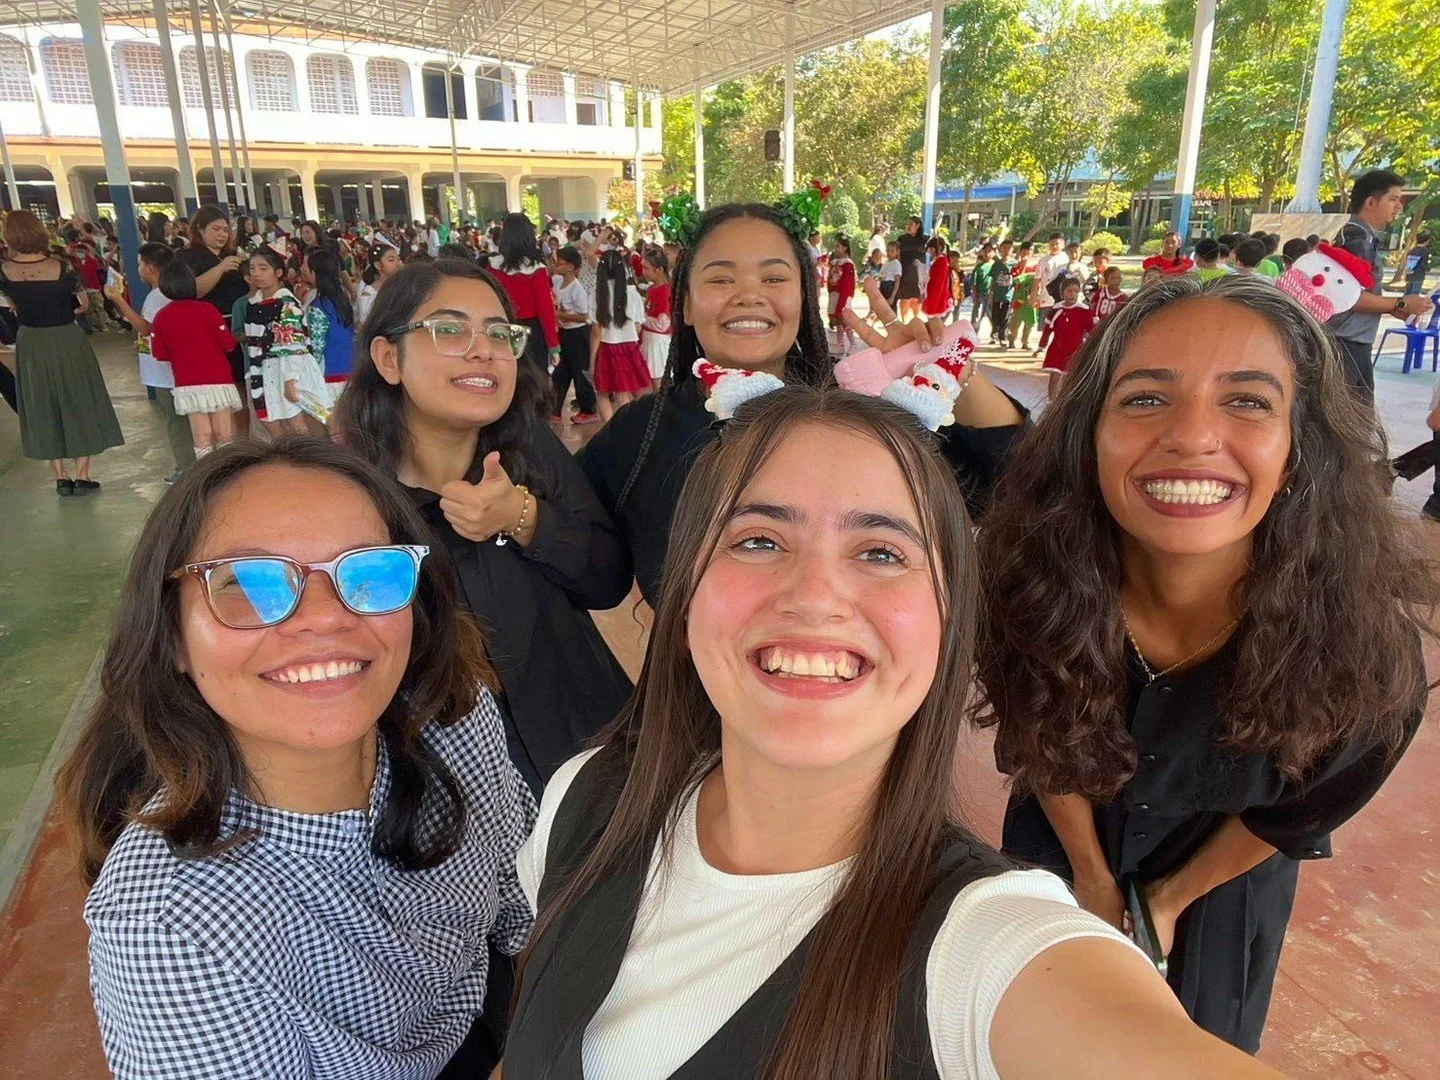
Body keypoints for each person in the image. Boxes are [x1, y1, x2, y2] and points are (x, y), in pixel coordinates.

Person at [506, 384, 1285, 1080]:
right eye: (758, 540)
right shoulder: (585, 799)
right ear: (683, 599)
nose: (815, 596)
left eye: (882, 552)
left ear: (950, 625)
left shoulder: (986, 948)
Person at [976, 274, 1429, 1052]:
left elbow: (1297, 812)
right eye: (1147, 398)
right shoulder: (1028, 592)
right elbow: (1040, 742)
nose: (1191, 437)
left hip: (1224, 884)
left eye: (1247, 401)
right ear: (1090, 435)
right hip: (1062, 848)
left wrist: (1167, 900)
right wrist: (1092, 878)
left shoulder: (1366, 653)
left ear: (1298, 450)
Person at [58, 437, 535, 1079]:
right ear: (171, 635)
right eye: (249, 584)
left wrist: (553, 1021)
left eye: (369, 572)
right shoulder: (173, 925)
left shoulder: (452, 718)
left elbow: (518, 892)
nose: (324, 619)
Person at [576, 202, 1029, 608]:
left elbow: (1015, 483)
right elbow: (590, 572)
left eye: (774, 278)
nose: (748, 294)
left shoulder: (862, 399)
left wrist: (944, 367)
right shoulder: (641, 434)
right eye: (720, 279)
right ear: (687, 305)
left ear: (803, 298)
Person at [331, 257, 633, 793]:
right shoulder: (352, 505)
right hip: (454, 793)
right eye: (449, 330)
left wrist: (522, 517)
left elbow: (607, 579)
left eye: (499, 333)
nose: (483, 349)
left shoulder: (530, 451)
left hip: (594, 758)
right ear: (389, 358)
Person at [0, 210, 123, 494]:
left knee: (42, 402)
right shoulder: (61, 266)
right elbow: (82, 303)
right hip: (66, 337)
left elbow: (12, 304)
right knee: (79, 398)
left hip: (31, 341)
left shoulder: (5, 270)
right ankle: (83, 474)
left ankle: (60, 476)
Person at [1328, 170, 1435, 401]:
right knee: (1352, 414)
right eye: (1393, 199)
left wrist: (1393, 308)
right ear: (1370, 202)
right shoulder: (1358, 239)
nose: (1398, 206)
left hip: (1351, 342)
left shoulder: (1362, 236)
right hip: (1346, 342)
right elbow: (1351, 297)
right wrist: (1401, 302)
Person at [105, 242, 193, 483]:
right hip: (168, 368)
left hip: (165, 373)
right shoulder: (165, 294)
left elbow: (147, 328)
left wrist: (118, 300)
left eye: (140, 264)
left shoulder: (157, 296)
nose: (138, 269)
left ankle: (187, 467)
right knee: (177, 418)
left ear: (151, 268)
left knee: (176, 421)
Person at [148, 261, 243, 462]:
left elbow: (159, 354)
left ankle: (206, 473)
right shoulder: (209, 310)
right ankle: (227, 470)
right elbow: (228, 344)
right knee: (224, 433)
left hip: (187, 383)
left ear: (165, 287)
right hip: (219, 380)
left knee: (201, 435)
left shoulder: (161, 317)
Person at [179, 206, 250, 432]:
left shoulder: (232, 255)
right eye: (216, 229)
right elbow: (192, 290)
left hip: (236, 326)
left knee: (241, 383)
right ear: (200, 229)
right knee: (218, 386)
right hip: (207, 330)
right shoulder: (188, 257)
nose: (222, 234)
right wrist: (220, 268)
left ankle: (244, 436)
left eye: (226, 230)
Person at [241, 248, 327, 434]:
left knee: (295, 422)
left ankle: (307, 453)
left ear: (278, 272)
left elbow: (293, 344)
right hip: (262, 369)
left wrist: (290, 379)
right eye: (252, 268)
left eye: (263, 268)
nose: (256, 273)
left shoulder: (287, 302)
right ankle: (287, 452)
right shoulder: (253, 304)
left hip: (285, 367)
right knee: (270, 422)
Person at [489, 213, 561, 382]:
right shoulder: (537, 269)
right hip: (531, 334)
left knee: (506, 380)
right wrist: (553, 346)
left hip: (501, 329)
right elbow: (545, 311)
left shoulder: (492, 267)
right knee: (534, 382)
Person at [588, 249, 650, 422]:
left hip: (606, 348)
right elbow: (638, 327)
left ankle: (612, 428)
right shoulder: (633, 294)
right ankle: (631, 426)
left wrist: (592, 362)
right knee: (628, 392)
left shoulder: (596, 293)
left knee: (602, 392)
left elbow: (596, 332)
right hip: (630, 348)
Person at [551, 246, 600, 423]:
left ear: (571, 266)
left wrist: (561, 315)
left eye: (560, 263)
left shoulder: (577, 289)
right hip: (565, 333)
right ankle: (555, 409)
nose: (556, 266)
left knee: (580, 372)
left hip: (578, 334)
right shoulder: (558, 281)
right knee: (561, 372)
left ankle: (588, 408)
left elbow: (584, 316)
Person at [301, 246, 357, 400]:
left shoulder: (318, 306)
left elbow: (317, 346)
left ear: (314, 274)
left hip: (331, 373)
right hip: (351, 367)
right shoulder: (343, 300)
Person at [1034, 276, 1094, 399]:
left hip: (1075, 350)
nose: (1073, 294)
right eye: (1069, 291)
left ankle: (1068, 402)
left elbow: (1091, 331)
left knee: (1071, 378)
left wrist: (1093, 347)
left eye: (1076, 291)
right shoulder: (1056, 310)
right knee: (1055, 376)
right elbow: (1047, 330)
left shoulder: (1084, 310)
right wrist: (1041, 346)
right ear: (1062, 293)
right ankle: (1052, 401)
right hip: (1057, 349)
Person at [640, 245, 674, 393]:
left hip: (658, 343)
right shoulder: (651, 289)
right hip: (648, 340)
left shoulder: (666, 291)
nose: (643, 272)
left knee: (658, 384)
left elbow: (663, 324)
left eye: (646, 268)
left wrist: (641, 318)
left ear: (659, 269)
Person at [356, 240, 403, 327]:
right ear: (378, 265)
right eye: (391, 260)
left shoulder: (399, 286)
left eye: (398, 259)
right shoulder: (369, 293)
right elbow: (366, 323)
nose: (398, 263)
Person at [827, 233, 858, 355]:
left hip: (843, 295)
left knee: (844, 319)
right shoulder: (836, 263)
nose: (836, 248)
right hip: (834, 295)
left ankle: (853, 344)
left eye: (838, 246)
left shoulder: (848, 264)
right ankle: (840, 345)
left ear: (845, 248)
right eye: (835, 246)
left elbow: (847, 284)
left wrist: (842, 300)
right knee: (837, 321)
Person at [895, 216, 927, 321]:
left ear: (918, 225)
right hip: (904, 271)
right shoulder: (901, 239)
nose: (908, 226)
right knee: (904, 298)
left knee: (917, 298)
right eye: (907, 224)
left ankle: (916, 320)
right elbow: (897, 255)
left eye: (911, 224)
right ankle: (903, 321)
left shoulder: (925, 239)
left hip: (918, 274)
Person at [1008, 242, 1039, 351]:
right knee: (1015, 320)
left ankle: (1025, 342)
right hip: (1018, 297)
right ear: (1020, 252)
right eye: (1024, 251)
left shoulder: (1035, 267)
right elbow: (1017, 280)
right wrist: (1024, 265)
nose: (1027, 254)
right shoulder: (1015, 266)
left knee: (1029, 321)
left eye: (1029, 251)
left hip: (1031, 297)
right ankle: (1012, 340)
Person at [987, 240, 1015, 347]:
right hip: (997, 295)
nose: (1007, 250)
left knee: (1005, 316)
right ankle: (994, 334)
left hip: (1009, 295)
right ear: (1000, 249)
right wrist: (991, 294)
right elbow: (993, 280)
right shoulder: (997, 264)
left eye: (1009, 248)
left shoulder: (1014, 264)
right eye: (1004, 248)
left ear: (1012, 250)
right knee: (995, 316)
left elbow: (1018, 278)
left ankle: (1003, 336)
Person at [921, 235, 952, 322]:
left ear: (939, 248)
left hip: (936, 296)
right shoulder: (940, 261)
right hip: (934, 294)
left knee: (934, 322)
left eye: (931, 249)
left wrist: (933, 300)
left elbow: (939, 283)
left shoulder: (941, 262)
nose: (930, 252)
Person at [969, 242, 994, 331]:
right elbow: (974, 283)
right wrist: (975, 295)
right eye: (985, 251)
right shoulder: (979, 267)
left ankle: (995, 334)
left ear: (993, 252)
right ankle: (973, 333)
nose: (987, 254)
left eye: (990, 251)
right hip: (981, 295)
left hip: (992, 295)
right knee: (977, 316)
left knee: (993, 316)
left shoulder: (996, 266)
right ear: (982, 252)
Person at [1405, 231, 1431, 296]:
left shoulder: (1412, 250)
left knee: (1407, 293)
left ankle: (1403, 302)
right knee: (1415, 294)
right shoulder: (1425, 251)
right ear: (1426, 241)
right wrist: (1427, 269)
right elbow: (1424, 264)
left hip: (1409, 275)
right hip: (1418, 275)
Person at [878, 240, 903, 307]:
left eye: (892, 250)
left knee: (891, 309)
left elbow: (897, 281)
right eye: (888, 250)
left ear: (897, 252)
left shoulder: (896, 263)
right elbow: (880, 276)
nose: (889, 252)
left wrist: (892, 297)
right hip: (883, 287)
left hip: (890, 288)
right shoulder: (885, 264)